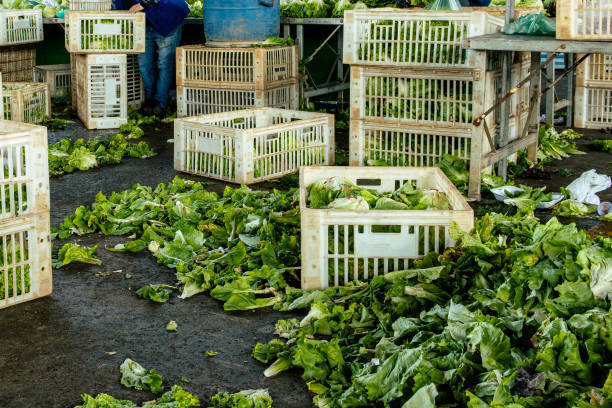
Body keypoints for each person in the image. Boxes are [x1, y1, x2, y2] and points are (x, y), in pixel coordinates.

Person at [115, 0, 189, 116]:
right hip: (143, 22)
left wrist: (142, 4)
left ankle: (160, 103)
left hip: (167, 15)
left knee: (164, 64)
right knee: (144, 65)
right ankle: (151, 101)